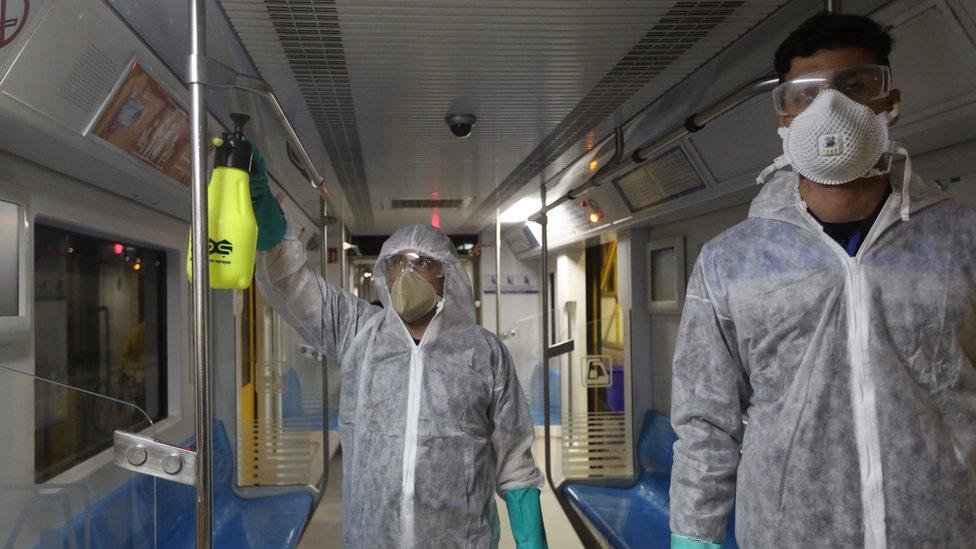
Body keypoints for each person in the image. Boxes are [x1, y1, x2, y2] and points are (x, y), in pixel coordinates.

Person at [669, 12, 976, 548]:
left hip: (942, 528)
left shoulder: (960, 241)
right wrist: (694, 539)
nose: (830, 108)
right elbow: (705, 425)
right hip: (791, 533)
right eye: (804, 94)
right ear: (783, 117)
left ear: (889, 99)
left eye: (854, 86)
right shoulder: (732, 262)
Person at [246, 147, 548, 549]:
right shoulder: (358, 333)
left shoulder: (483, 354)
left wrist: (533, 543)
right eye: (397, 263)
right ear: (384, 275)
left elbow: (514, 460)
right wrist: (264, 211)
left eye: (421, 263)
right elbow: (293, 286)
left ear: (445, 275)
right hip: (373, 539)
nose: (407, 272)